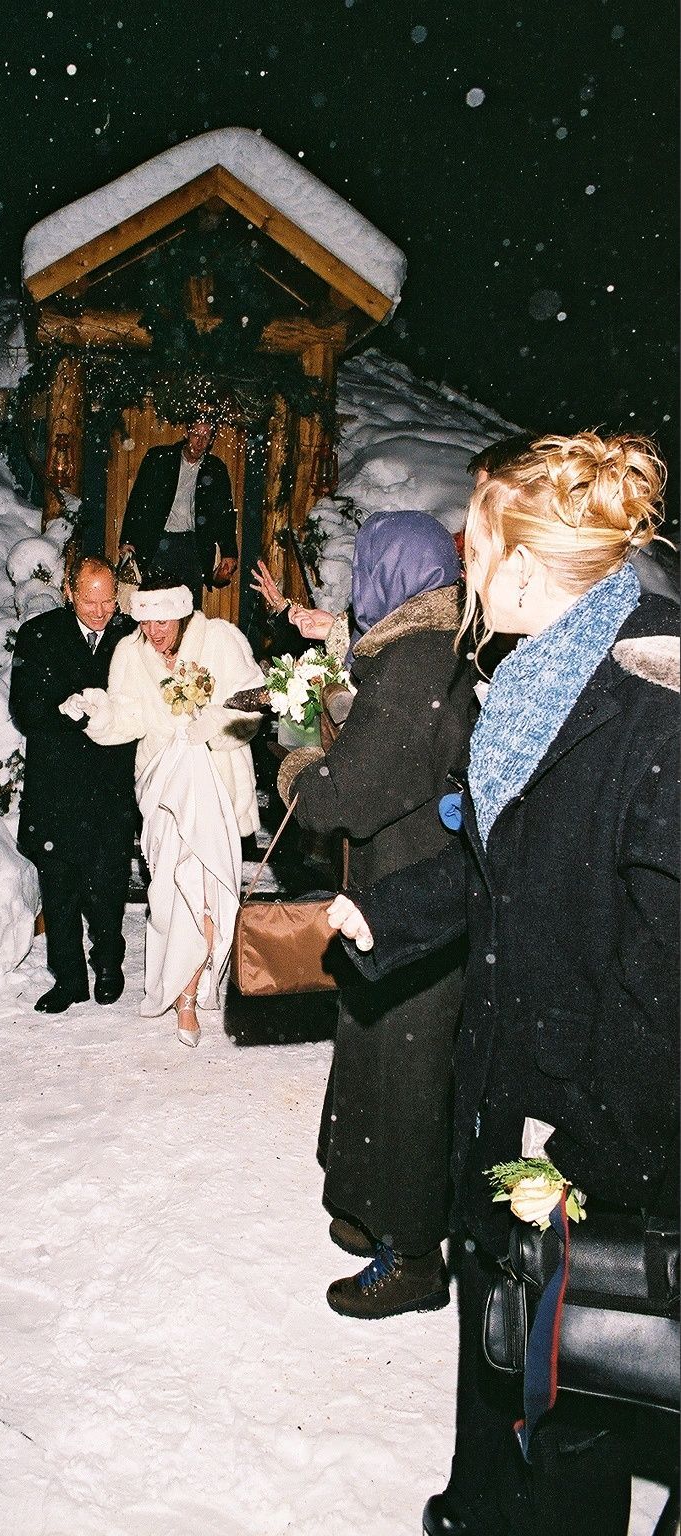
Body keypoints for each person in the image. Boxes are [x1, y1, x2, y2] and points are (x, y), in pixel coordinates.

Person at [327, 433, 679, 1536]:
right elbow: (505, 865)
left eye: (470, 553)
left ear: (522, 572)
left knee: (568, 1376)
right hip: (513, 1072)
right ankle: (475, 1507)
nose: (458, 575)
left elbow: (662, 967)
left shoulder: (651, 705)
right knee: (497, 1324)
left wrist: (596, 1156)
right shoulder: (534, 680)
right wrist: (386, 912)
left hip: (592, 1118)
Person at [275, 511, 475, 1319]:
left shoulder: (412, 662)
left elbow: (347, 797)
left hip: (415, 903)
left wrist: (297, 764)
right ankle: (370, 1206)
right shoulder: (428, 648)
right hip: (404, 894)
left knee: (408, 1076)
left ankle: (414, 1257)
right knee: (374, 1054)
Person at [61, 571, 263, 1045]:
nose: (154, 632)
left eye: (163, 621)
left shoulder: (219, 639)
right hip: (163, 785)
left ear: (182, 610)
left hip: (215, 778)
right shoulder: (130, 653)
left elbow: (254, 699)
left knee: (212, 884)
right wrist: (97, 711)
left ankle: (195, 990)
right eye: (146, 621)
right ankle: (180, 990)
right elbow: (127, 716)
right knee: (173, 888)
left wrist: (212, 721)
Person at [9, 554, 137, 1014]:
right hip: (57, 785)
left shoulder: (130, 636)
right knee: (58, 885)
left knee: (108, 881)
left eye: (108, 601)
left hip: (110, 786)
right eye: (89, 600)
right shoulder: (39, 635)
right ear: (69, 590)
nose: (101, 612)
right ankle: (67, 979)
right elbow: (23, 709)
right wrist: (65, 714)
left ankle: (108, 963)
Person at [118, 414, 238, 607]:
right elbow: (137, 501)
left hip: (193, 548)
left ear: (212, 440)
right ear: (185, 433)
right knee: (153, 605)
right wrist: (127, 540)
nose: (199, 442)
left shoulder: (216, 470)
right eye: (195, 434)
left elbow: (224, 515)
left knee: (188, 609)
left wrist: (229, 552)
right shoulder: (158, 458)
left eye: (206, 437)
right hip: (157, 544)